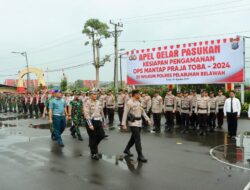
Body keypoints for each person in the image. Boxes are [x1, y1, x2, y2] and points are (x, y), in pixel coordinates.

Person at [122, 90, 151, 163]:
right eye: (138, 94)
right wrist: (124, 124)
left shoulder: (139, 102)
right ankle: (140, 155)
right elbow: (125, 113)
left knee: (133, 138)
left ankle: (127, 149)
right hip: (133, 123)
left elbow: (143, 111)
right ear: (135, 95)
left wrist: (147, 119)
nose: (140, 95)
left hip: (139, 122)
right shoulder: (129, 102)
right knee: (137, 139)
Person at [84, 90, 106, 160]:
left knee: (102, 135)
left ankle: (92, 145)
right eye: (94, 94)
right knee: (93, 137)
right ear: (90, 95)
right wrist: (90, 124)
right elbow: (86, 114)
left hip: (98, 121)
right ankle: (94, 153)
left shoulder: (98, 102)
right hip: (91, 121)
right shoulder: (87, 103)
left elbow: (101, 112)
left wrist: (103, 122)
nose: (95, 95)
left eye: (96, 94)